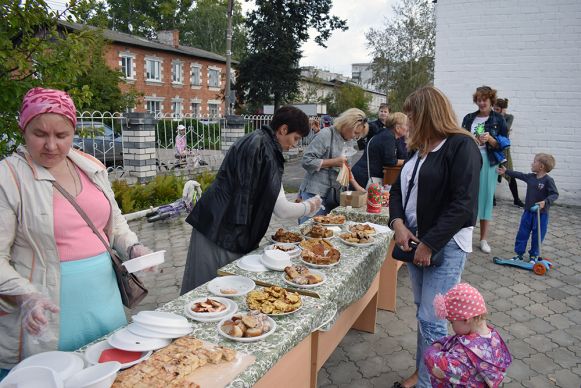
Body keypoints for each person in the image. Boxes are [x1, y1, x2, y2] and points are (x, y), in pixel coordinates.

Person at [0, 87, 153, 375]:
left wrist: (134, 248)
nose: (51, 146)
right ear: (23, 129)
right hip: (50, 309)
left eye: (61, 136)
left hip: (103, 298)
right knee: (64, 376)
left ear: (73, 131)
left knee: (110, 370)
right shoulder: (8, 177)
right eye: (40, 134)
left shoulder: (90, 165)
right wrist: (26, 297)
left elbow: (114, 222)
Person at [389, 86, 482, 388]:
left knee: (432, 319)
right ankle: (423, 373)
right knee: (425, 314)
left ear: (427, 114)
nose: (409, 121)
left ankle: (434, 382)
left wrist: (429, 243)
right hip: (415, 243)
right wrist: (397, 223)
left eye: (413, 115)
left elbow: (464, 205)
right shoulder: (420, 148)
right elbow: (399, 190)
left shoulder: (460, 146)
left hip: (444, 246)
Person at [180, 106, 322, 294]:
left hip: (220, 224)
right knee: (205, 291)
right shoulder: (264, 150)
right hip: (218, 230)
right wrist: (310, 206)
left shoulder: (261, 142)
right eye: (295, 138)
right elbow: (282, 210)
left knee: (216, 290)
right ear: (283, 129)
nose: (295, 145)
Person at [424, 283, 512, 387]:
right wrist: (442, 342)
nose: (451, 325)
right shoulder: (492, 337)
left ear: (466, 319)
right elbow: (457, 340)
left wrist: (431, 351)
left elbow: (440, 367)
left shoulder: (467, 353)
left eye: (452, 322)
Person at [298, 108, 369, 223]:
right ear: (347, 124)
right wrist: (333, 162)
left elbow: (346, 167)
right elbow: (306, 161)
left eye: (359, 135)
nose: (355, 137)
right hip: (314, 193)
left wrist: (357, 186)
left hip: (333, 195)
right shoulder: (325, 134)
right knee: (309, 229)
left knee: (327, 232)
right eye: (355, 133)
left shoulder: (348, 140)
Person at [461, 86, 508, 254]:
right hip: (470, 160)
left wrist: (491, 140)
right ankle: (466, 236)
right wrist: (470, 138)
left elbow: (504, 144)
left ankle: (483, 239)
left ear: (491, 101)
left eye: (484, 100)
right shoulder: (468, 118)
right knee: (469, 197)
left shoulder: (499, 120)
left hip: (489, 161)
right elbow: (460, 139)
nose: (481, 103)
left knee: (486, 199)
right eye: (479, 100)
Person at [497, 153, 559, 261]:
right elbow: (519, 175)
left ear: (541, 166)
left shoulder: (548, 181)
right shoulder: (531, 177)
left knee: (538, 235)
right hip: (528, 212)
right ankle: (519, 254)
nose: (532, 163)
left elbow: (554, 194)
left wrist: (545, 201)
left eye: (534, 161)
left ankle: (534, 255)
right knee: (522, 233)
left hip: (541, 214)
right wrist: (506, 171)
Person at [351, 112, 408, 189]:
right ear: (397, 128)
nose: (408, 128)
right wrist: (407, 162)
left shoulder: (386, 134)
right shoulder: (388, 137)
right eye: (406, 125)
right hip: (365, 177)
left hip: (363, 174)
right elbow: (390, 161)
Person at [494, 98, 524, 207]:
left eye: (497, 109)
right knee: (492, 172)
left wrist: (500, 117)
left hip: (504, 149)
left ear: (503, 109)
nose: (495, 111)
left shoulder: (509, 117)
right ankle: (492, 199)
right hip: (492, 147)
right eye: (494, 109)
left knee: (510, 173)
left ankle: (516, 199)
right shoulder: (491, 117)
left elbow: (505, 128)